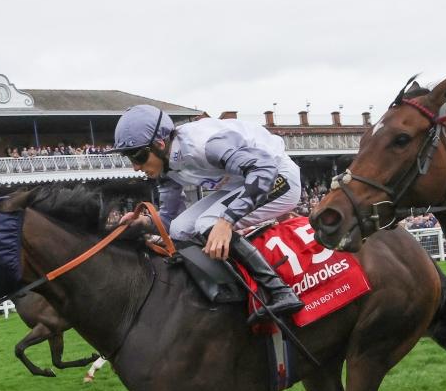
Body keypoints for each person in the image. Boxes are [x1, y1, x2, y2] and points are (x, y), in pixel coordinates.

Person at [112, 104, 303, 322]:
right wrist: (144, 223)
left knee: (207, 222)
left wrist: (226, 221)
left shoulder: (206, 145)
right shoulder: (165, 169)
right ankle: (229, 291)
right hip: (243, 183)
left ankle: (280, 290)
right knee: (180, 229)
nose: (135, 167)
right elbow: (170, 221)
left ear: (159, 144)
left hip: (278, 177)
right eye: (129, 158)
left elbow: (264, 170)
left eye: (138, 156)